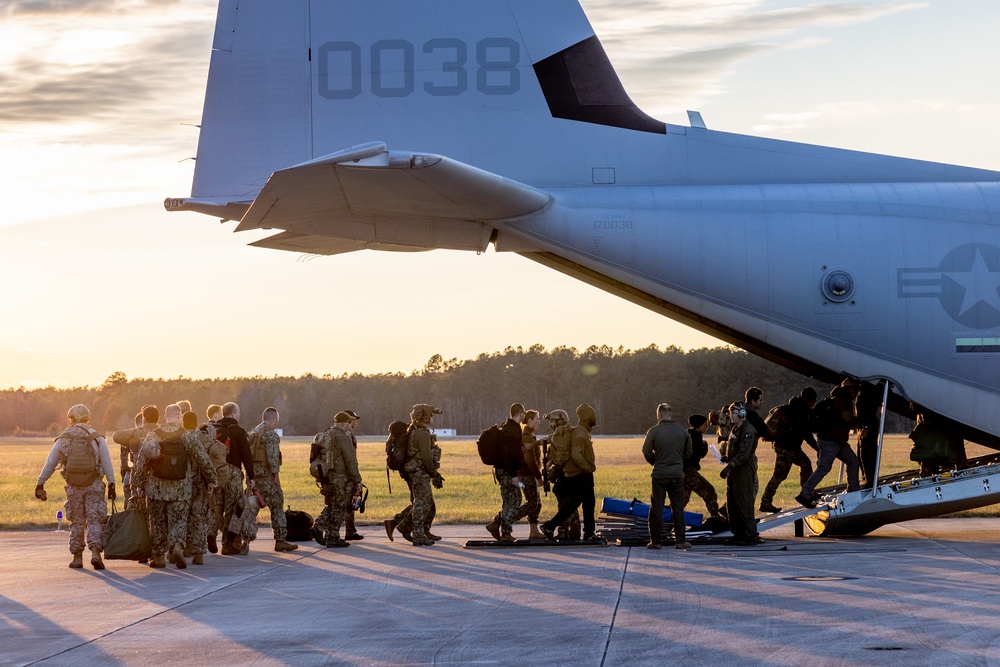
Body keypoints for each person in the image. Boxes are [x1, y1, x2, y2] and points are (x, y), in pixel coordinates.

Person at [133, 404, 215, 568]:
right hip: (181, 488)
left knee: (157, 522)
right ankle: (177, 546)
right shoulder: (186, 436)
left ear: (165, 416)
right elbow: (202, 457)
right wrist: (212, 477)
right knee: (178, 521)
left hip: (156, 488)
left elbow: (142, 462)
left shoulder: (154, 435)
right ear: (179, 417)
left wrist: (139, 484)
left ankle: (159, 557)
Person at [34, 404, 116, 569]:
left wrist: (40, 483)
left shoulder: (65, 438)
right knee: (95, 519)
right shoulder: (97, 438)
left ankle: (77, 557)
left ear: (72, 419)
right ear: (87, 418)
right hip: (93, 484)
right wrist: (112, 483)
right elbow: (106, 462)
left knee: (77, 521)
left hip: (73, 486)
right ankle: (95, 553)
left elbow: (51, 463)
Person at [541, 404, 598, 542]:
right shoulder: (580, 433)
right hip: (581, 474)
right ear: (586, 418)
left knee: (573, 504)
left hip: (576, 473)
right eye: (593, 416)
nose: (595, 418)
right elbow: (576, 455)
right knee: (589, 504)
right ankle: (589, 534)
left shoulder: (580, 431)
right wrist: (588, 468)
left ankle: (549, 526)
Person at [796, 386, 860, 508]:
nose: (856, 393)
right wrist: (860, 421)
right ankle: (805, 495)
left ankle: (853, 491)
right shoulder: (843, 401)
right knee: (824, 468)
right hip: (831, 441)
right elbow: (847, 418)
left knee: (853, 461)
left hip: (835, 441)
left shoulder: (833, 400)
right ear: (850, 390)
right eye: (855, 390)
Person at [642, 403, 693, 550]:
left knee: (656, 508)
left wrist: (656, 461)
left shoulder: (654, 431)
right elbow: (688, 452)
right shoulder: (683, 431)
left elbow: (646, 451)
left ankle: (656, 541)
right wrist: (677, 462)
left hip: (659, 475)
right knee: (678, 508)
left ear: (659, 415)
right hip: (677, 474)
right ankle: (681, 541)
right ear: (671, 413)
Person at [759, 387, 818, 513]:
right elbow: (806, 434)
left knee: (806, 464)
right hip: (787, 448)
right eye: (814, 400)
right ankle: (766, 501)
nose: (815, 403)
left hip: (789, 447)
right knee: (779, 475)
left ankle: (806, 493)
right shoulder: (801, 412)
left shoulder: (793, 408)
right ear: (809, 400)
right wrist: (818, 448)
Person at [249, 407, 298, 552]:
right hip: (267, 478)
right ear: (274, 419)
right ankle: (280, 539)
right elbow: (272, 458)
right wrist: (276, 476)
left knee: (251, 508)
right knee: (277, 506)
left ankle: (241, 539)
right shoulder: (270, 435)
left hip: (254, 478)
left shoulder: (253, 433)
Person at [313, 412, 362, 547]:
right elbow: (350, 461)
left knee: (332, 504)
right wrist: (357, 480)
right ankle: (322, 528)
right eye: (348, 422)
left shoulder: (327, 434)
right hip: (340, 477)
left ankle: (331, 535)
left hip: (327, 476)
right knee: (339, 505)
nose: (350, 425)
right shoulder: (342, 437)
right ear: (342, 423)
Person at [719, 402, 761, 546]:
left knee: (744, 503)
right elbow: (734, 449)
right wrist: (726, 457)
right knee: (732, 504)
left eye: (734, 412)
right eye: (730, 413)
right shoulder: (735, 428)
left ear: (742, 414)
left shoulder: (748, 430)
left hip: (742, 470)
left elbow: (744, 453)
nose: (731, 415)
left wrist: (729, 466)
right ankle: (738, 533)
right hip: (734, 471)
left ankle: (750, 535)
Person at [181, 411, 220, 564]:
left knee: (181, 517)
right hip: (200, 483)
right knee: (198, 518)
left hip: (181, 484)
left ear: (183, 423)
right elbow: (207, 461)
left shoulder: (180, 438)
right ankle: (199, 554)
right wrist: (212, 480)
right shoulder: (205, 438)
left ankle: (183, 547)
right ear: (196, 423)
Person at [401, 404, 443, 546]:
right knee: (422, 504)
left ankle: (405, 526)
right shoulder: (422, 433)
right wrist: (433, 472)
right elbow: (426, 456)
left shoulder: (416, 431)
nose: (432, 419)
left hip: (418, 472)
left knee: (428, 503)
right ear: (425, 417)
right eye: (431, 416)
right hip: (420, 473)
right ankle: (418, 535)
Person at [218, 402, 255, 555]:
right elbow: (246, 456)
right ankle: (229, 542)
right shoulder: (239, 432)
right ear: (233, 414)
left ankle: (207, 540)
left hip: (215, 474)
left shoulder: (214, 430)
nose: (239, 416)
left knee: (216, 509)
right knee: (233, 509)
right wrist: (251, 476)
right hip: (232, 473)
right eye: (238, 413)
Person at [485, 403, 526, 543]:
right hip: (507, 471)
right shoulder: (511, 430)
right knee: (514, 501)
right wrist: (514, 475)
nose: (524, 416)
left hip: (505, 470)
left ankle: (496, 524)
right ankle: (506, 533)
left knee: (509, 500)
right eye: (524, 413)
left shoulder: (509, 427)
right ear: (520, 413)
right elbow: (507, 454)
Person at [543, 409, 581, 540]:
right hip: (568, 474)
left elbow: (558, 456)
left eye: (552, 421)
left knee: (564, 504)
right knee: (570, 505)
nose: (550, 425)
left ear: (560, 421)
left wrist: (550, 466)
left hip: (565, 474)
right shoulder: (565, 433)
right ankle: (574, 532)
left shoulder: (562, 435)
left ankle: (564, 532)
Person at [112, 405, 159, 509]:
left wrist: (133, 437)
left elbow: (116, 436)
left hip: (138, 480)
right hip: (159, 480)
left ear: (144, 418)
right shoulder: (162, 432)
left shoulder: (136, 433)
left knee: (137, 511)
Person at [510, 409, 545, 540]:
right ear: (529, 421)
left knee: (537, 503)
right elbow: (530, 461)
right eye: (537, 419)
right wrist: (539, 476)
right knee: (532, 503)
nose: (539, 422)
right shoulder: (526, 436)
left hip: (528, 475)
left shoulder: (530, 435)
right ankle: (503, 520)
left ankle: (534, 531)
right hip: (527, 475)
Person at [683, 414, 721, 519]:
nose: (706, 427)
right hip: (688, 471)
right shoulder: (695, 437)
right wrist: (704, 447)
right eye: (705, 425)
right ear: (698, 426)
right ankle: (715, 516)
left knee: (682, 500)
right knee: (709, 491)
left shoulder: (688, 435)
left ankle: (668, 519)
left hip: (682, 472)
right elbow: (695, 454)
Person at [854, 380, 884, 488]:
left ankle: (870, 480)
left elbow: (866, 413)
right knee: (865, 454)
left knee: (866, 454)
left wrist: (864, 427)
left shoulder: (864, 396)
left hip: (866, 427)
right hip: (867, 426)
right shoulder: (871, 394)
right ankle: (868, 478)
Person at [343, 409, 364, 541]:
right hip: (347, 474)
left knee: (351, 503)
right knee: (346, 504)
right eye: (353, 419)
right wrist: (355, 477)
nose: (355, 421)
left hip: (349, 472)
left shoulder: (349, 434)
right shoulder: (346, 434)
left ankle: (350, 531)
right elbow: (349, 458)